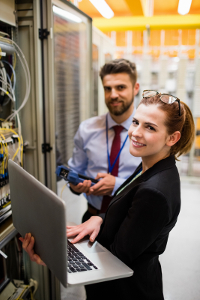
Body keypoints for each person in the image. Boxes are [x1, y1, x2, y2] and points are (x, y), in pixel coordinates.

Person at [20, 91, 195, 300]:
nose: (135, 133)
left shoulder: (154, 191)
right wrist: (98, 218)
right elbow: (130, 215)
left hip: (125, 293)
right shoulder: (151, 165)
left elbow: (115, 259)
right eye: (136, 122)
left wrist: (54, 255)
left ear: (172, 138)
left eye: (150, 127)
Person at [67, 58, 141, 222]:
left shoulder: (149, 132)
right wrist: (75, 185)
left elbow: (156, 184)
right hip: (91, 216)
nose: (113, 95)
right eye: (108, 89)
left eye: (120, 87)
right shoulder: (86, 129)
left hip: (130, 221)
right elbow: (75, 171)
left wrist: (117, 185)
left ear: (136, 88)